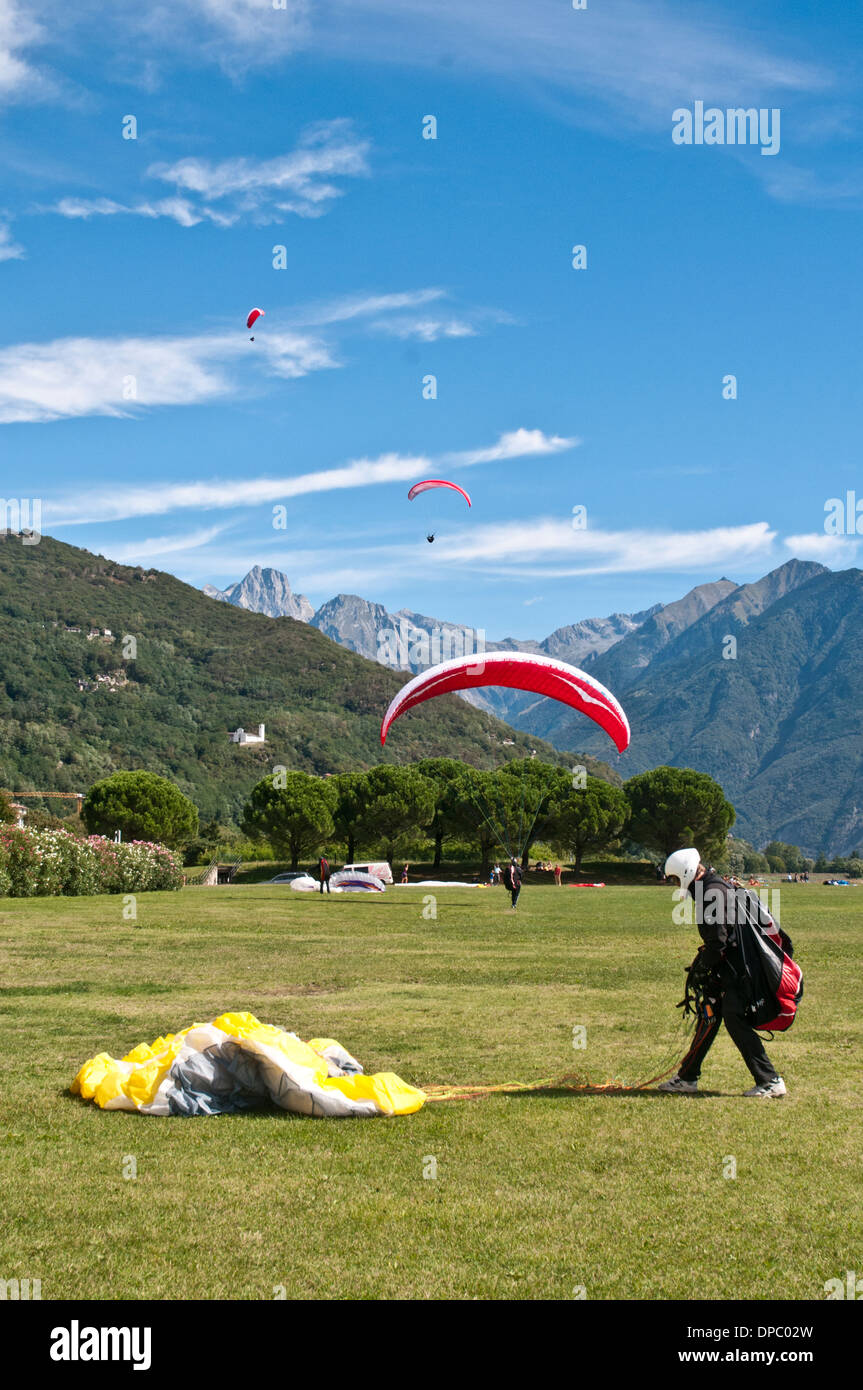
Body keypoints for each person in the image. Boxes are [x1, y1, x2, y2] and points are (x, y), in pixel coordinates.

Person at [658, 847, 786, 1099]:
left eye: (674, 879)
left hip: (736, 971)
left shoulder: (711, 892)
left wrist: (705, 968)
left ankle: (770, 1081)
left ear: (685, 873)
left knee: (734, 1017)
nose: (674, 884)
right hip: (733, 967)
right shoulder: (715, 886)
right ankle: (687, 1077)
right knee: (711, 1014)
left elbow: (719, 940)